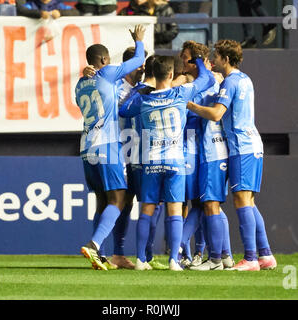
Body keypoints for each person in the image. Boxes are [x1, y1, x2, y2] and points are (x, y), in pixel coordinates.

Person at [187, 39, 277, 271]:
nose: (214, 60)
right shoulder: (245, 79)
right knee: (249, 201)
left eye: (216, 56)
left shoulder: (230, 82)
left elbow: (217, 114)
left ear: (226, 59)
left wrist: (190, 105)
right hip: (252, 145)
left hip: (241, 147)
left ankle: (250, 258)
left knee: (241, 201)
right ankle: (265, 254)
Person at [119, 55, 215, 271]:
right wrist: (198, 60)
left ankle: (141, 260)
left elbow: (123, 110)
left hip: (151, 161)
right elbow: (207, 79)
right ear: (171, 75)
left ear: (154, 75)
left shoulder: (144, 100)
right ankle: (174, 260)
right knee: (174, 210)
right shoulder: (181, 93)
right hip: (174, 161)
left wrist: (140, 90)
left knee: (147, 209)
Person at [76, 25, 146, 271]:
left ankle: (101, 256)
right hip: (107, 145)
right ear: (104, 60)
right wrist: (138, 40)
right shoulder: (108, 74)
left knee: (101, 201)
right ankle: (94, 246)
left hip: (86, 148)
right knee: (118, 199)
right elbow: (138, 59)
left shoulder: (80, 85)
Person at [177, 40, 235, 271]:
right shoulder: (215, 81)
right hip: (207, 151)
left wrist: (186, 103)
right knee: (207, 204)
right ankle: (224, 255)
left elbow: (213, 114)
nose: (182, 61)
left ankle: (210, 257)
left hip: (210, 151)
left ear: (195, 61)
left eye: (185, 57)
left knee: (205, 204)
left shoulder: (211, 82)